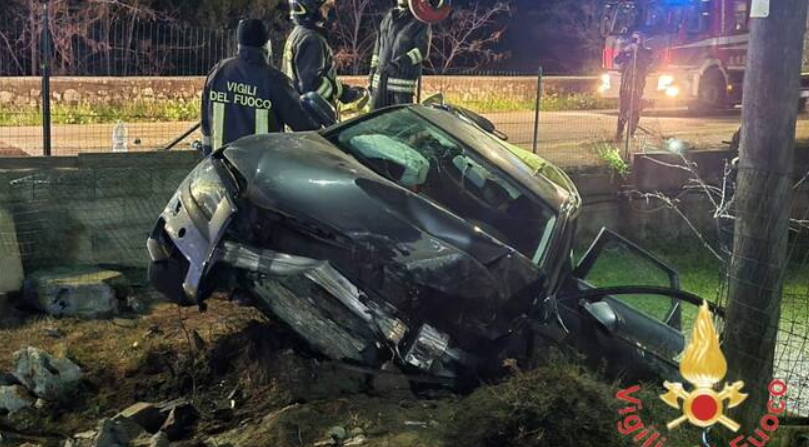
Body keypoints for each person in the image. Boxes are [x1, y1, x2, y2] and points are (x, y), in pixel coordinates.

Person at [201, 19, 318, 156]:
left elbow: (205, 125)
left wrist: (208, 157)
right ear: (266, 44)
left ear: (239, 45)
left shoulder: (218, 71)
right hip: (258, 170)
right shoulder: (275, 81)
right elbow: (304, 125)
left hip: (222, 165)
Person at [283, 0, 365, 106]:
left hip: (297, 110)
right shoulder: (312, 39)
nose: (327, 12)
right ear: (310, 8)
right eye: (325, 7)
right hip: (313, 116)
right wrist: (344, 93)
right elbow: (312, 86)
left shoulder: (297, 34)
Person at [369, 0, 431, 110]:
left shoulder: (420, 21)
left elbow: (421, 51)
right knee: (374, 125)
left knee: (400, 126)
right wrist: (372, 73)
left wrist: (398, 64)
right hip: (379, 87)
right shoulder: (387, 18)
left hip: (401, 91)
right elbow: (377, 49)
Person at [614, 31, 654, 141]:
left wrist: (638, 49)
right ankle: (619, 134)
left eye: (637, 39)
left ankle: (631, 134)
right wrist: (625, 51)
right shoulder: (628, 52)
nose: (634, 41)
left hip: (637, 86)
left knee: (635, 111)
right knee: (623, 110)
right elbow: (617, 60)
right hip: (625, 86)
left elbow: (647, 61)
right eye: (633, 39)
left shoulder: (646, 52)